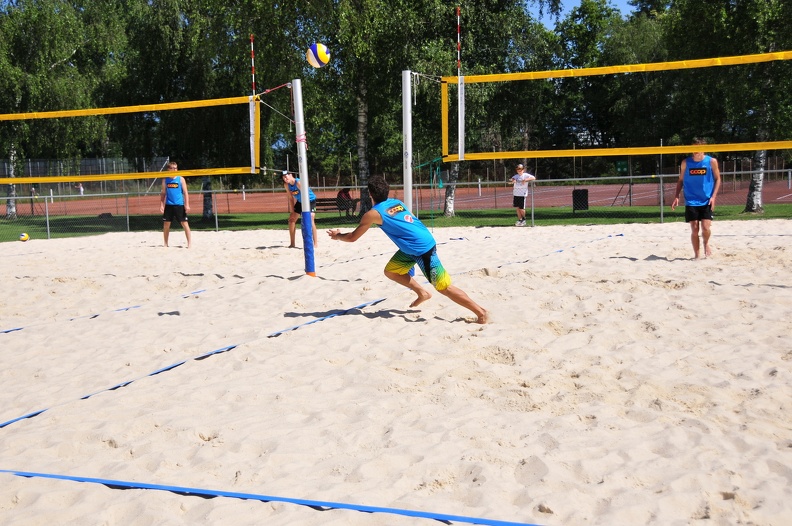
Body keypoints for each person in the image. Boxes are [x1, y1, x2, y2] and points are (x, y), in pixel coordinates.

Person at [327, 175, 488, 324]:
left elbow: (353, 237)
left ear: (370, 193)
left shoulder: (373, 214)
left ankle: (481, 312)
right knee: (391, 271)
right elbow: (410, 224)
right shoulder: (397, 203)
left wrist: (338, 236)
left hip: (422, 250)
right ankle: (422, 293)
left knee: (444, 287)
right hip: (413, 247)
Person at [671, 138, 721, 259]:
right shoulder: (686, 162)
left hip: (706, 199)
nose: (695, 151)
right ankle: (697, 255)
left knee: (705, 228)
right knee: (694, 229)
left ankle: (706, 243)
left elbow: (718, 179)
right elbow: (680, 180)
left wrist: (713, 197)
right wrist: (676, 196)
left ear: (704, 148)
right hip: (691, 200)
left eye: (698, 148)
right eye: (693, 148)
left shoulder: (711, 161)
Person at [159, 161, 192, 248]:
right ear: (168, 169)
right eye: (172, 168)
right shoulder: (165, 180)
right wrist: (161, 205)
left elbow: (185, 192)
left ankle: (189, 244)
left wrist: (187, 204)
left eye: (176, 168)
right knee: (166, 224)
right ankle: (165, 244)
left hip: (179, 205)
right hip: (169, 205)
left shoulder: (181, 179)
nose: (174, 169)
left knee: (184, 223)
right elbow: (163, 193)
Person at [282, 170, 317, 248]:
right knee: (291, 219)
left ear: (291, 175)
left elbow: (306, 195)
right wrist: (292, 210)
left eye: (286, 176)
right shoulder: (287, 185)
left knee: (310, 219)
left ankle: (315, 244)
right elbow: (290, 198)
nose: (285, 178)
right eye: (283, 177)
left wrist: (305, 210)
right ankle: (292, 243)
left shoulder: (298, 183)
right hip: (300, 201)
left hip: (309, 200)